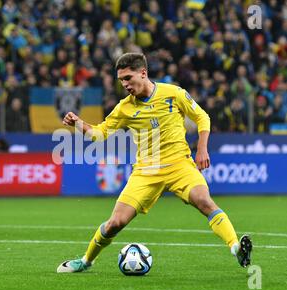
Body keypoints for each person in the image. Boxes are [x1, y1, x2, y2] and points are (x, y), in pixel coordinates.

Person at [57, 53, 252, 273]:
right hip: (146, 172)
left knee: (204, 201)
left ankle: (236, 248)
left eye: (128, 78)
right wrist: (78, 123)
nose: (125, 84)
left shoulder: (173, 93)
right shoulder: (124, 108)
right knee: (116, 223)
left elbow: (202, 117)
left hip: (179, 165)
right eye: (121, 80)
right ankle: (86, 261)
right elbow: (100, 134)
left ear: (143, 73)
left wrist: (202, 147)